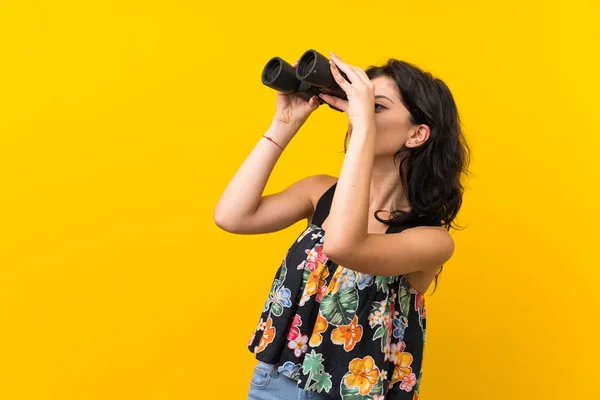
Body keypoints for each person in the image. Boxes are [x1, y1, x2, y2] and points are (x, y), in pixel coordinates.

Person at [214, 52, 470, 400]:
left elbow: (345, 247)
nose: (355, 115)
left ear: (417, 134)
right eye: (355, 106)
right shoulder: (319, 192)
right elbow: (232, 216)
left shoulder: (431, 241)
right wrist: (285, 123)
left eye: (374, 107)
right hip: (277, 385)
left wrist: (363, 127)